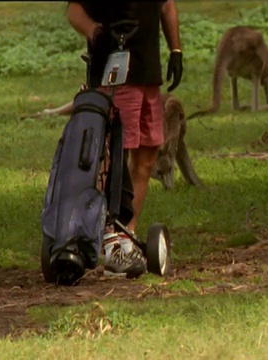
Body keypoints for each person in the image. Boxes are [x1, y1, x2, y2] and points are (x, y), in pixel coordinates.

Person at [67, 1, 183, 278]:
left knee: (147, 154)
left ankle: (127, 235)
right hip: (115, 73)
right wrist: (94, 32)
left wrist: (175, 51)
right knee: (115, 154)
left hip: (148, 72)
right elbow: (75, 9)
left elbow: (167, 6)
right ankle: (106, 234)